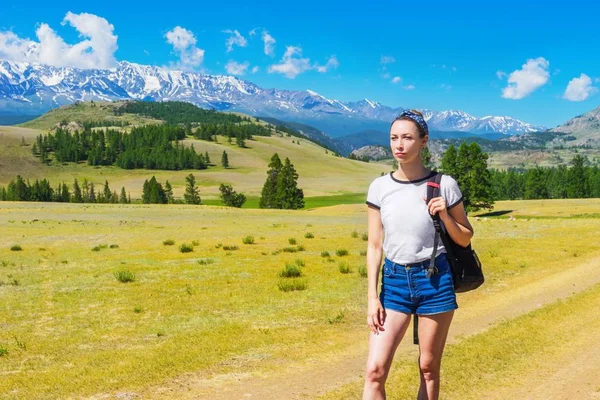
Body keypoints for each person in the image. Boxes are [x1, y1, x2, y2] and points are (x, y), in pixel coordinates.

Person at [363, 110, 474, 400]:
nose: (399, 145)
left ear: (424, 141)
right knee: (375, 370)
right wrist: (372, 297)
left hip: (435, 281)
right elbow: (375, 245)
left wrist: (446, 216)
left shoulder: (443, 183)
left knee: (428, 367)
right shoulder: (380, 187)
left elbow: (465, 236)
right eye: (394, 138)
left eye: (408, 138)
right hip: (395, 282)